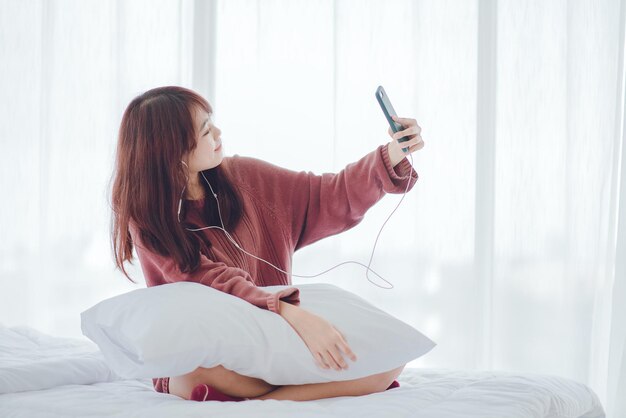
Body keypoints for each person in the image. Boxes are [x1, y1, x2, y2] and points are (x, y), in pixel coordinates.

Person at [110, 85, 424, 402]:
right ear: (173, 150)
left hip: (277, 343)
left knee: (391, 360)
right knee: (193, 371)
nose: (218, 133)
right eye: (206, 130)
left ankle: (267, 401)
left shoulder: (245, 177)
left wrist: (391, 155)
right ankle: (295, 393)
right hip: (219, 353)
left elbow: (327, 195)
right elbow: (211, 281)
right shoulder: (149, 220)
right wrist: (291, 312)